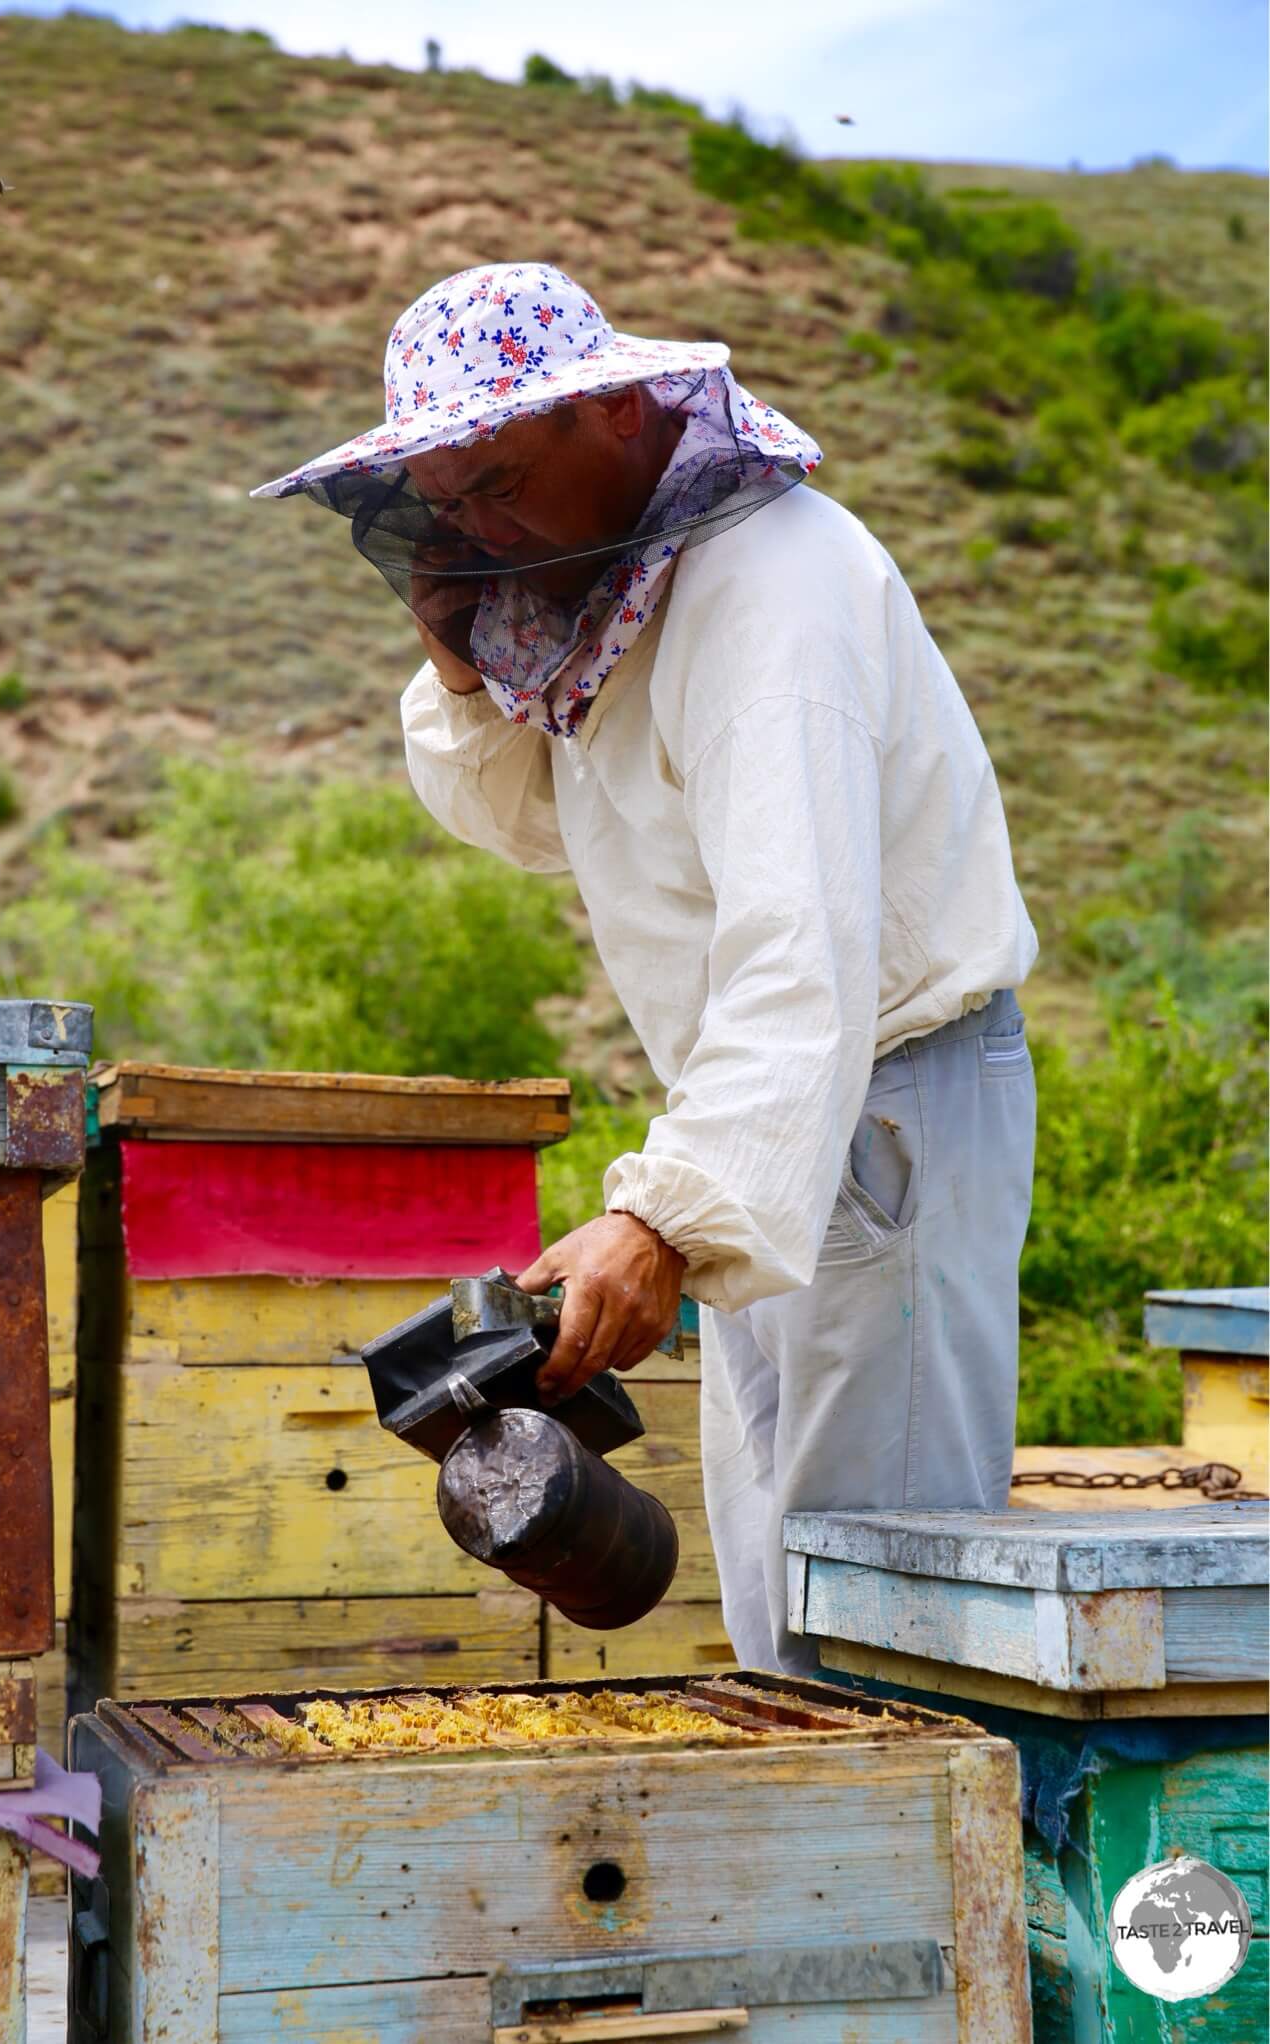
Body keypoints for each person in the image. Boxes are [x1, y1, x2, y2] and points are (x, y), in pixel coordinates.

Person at [253, 261, 1038, 1674]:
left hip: (877, 1101)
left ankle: (916, 1900)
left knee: (883, 1615)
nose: (478, 530)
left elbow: (801, 942)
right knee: (782, 1588)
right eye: (448, 504)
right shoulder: (639, 587)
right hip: (785, 1113)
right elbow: (539, 824)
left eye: (499, 483)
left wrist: (665, 1219)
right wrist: (457, 674)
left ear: (615, 410)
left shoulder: (767, 599)